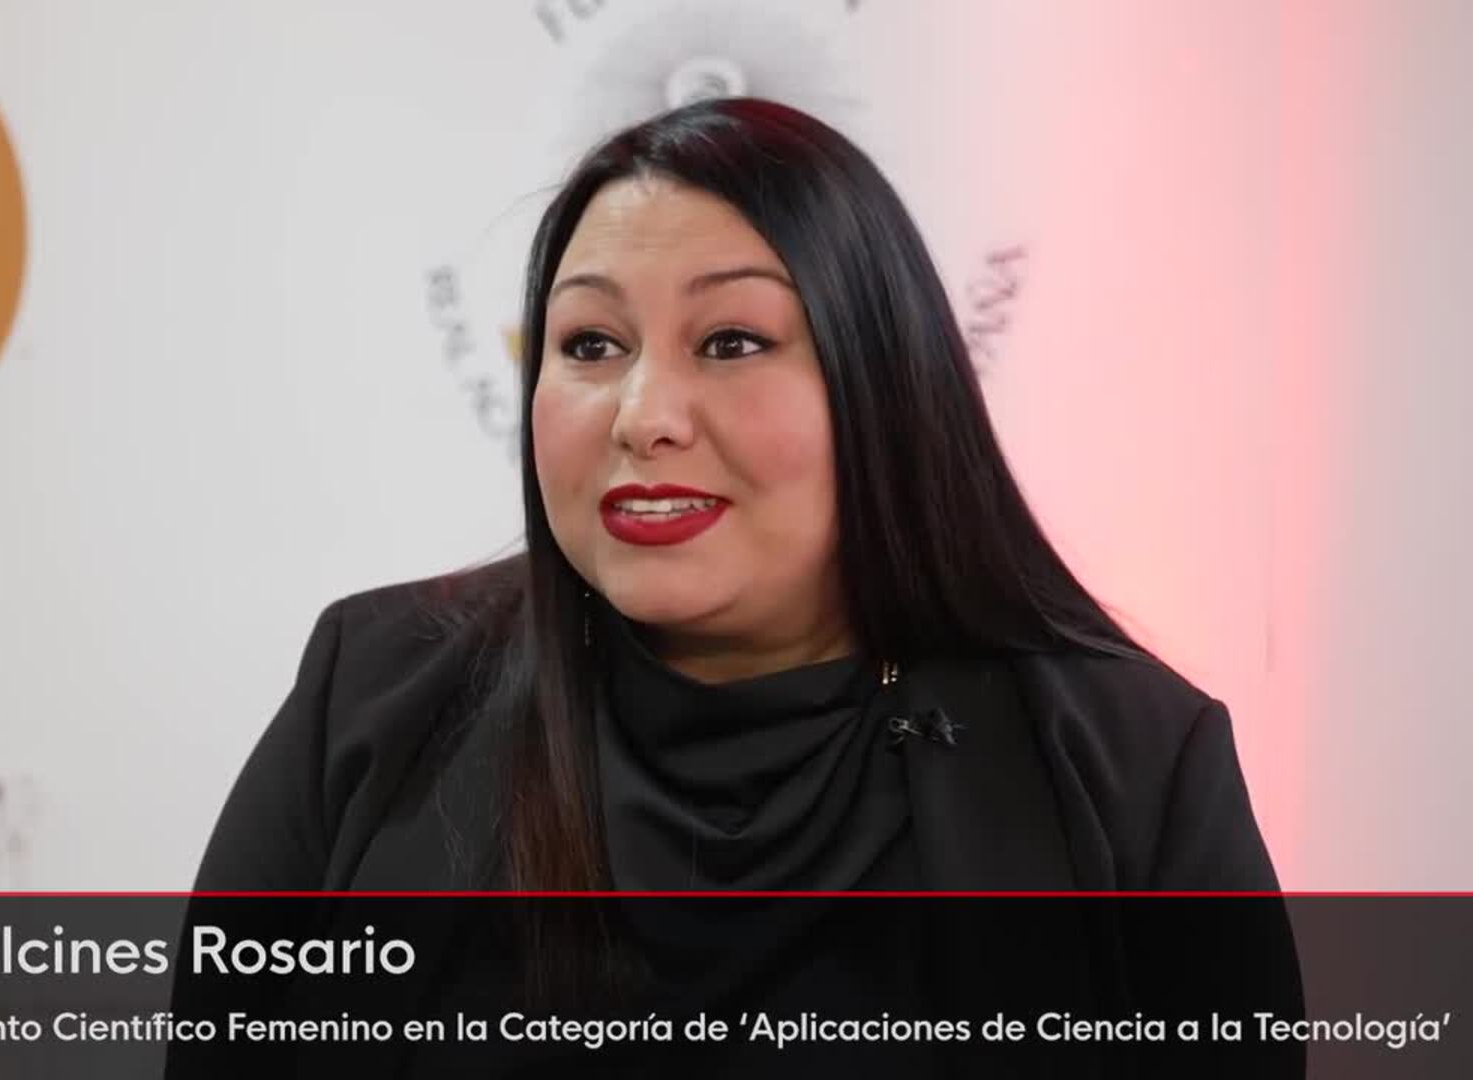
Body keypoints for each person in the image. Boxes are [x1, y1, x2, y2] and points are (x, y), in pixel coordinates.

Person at [170, 97, 1300, 1076]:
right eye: (592, 344)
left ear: (880, 384)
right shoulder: (372, 696)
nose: (644, 417)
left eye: (730, 343)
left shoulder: (1129, 767)